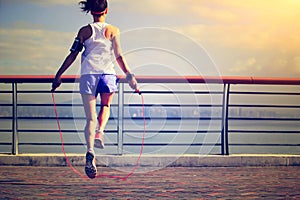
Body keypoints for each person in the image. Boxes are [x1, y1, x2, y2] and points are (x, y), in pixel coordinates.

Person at [51, 0, 138, 179]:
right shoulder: (114, 30)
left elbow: (73, 54)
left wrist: (58, 75)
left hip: (89, 75)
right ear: (106, 10)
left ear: (90, 11)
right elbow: (119, 55)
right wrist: (129, 75)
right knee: (105, 107)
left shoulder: (84, 31)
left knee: (90, 118)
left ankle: (90, 151)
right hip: (107, 74)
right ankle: (101, 132)